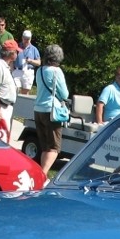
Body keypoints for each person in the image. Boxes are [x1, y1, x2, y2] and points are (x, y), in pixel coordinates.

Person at [34, 44, 69, 176]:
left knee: (45, 147)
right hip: (52, 111)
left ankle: (41, 174)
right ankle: (42, 175)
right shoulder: (56, 72)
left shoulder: (40, 70)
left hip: (38, 109)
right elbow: (64, 94)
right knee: (54, 148)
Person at [0, 39, 20, 143]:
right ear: (11, 53)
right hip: (1, 107)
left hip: (6, 107)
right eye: (16, 52)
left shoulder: (5, 66)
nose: (17, 54)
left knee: (3, 140)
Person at [13, 30, 40, 96]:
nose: (26, 40)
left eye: (28, 39)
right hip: (17, 70)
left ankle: (22, 106)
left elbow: (39, 62)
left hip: (28, 72)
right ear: (22, 37)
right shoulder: (17, 46)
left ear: (30, 39)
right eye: (25, 38)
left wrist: (31, 61)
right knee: (14, 89)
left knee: (25, 93)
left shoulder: (34, 49)